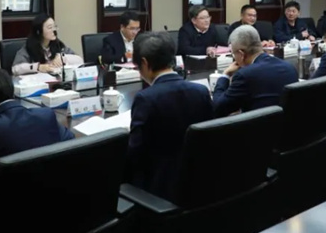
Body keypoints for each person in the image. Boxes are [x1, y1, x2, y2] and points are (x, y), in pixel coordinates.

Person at [128, 32, 214, 201]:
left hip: (159, 186)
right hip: (199, 180)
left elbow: (135, 153)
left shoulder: (146, 98)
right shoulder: (201, 91)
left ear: (144, 63)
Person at [213, 25, 299, 117]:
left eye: (233, 54)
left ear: (241, 54)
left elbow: (218, 108)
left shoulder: (244, 75)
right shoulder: (289, 67)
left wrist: (225, 75)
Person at [11, 14, 83, 75]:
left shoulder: (57, 45)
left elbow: (80, 60)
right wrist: (38, 67)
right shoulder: (29, 48)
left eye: (54, 27)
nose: (54, 30)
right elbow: (15, 69)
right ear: (39, 31)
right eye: (50, 27)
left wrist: (63, 58)